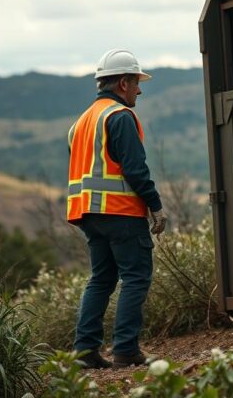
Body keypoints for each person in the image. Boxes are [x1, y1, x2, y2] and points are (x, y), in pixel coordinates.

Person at [67, 48, 167, 368]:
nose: (140, 89)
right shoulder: (120, 117)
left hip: (88, 213)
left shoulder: (82, 121)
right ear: (123, 82)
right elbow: (135, 169)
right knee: (136, 277)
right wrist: (156, 206)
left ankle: (85, 352)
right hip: (121, 212)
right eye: (137, 82)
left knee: (101, 279)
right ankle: (126, 350)